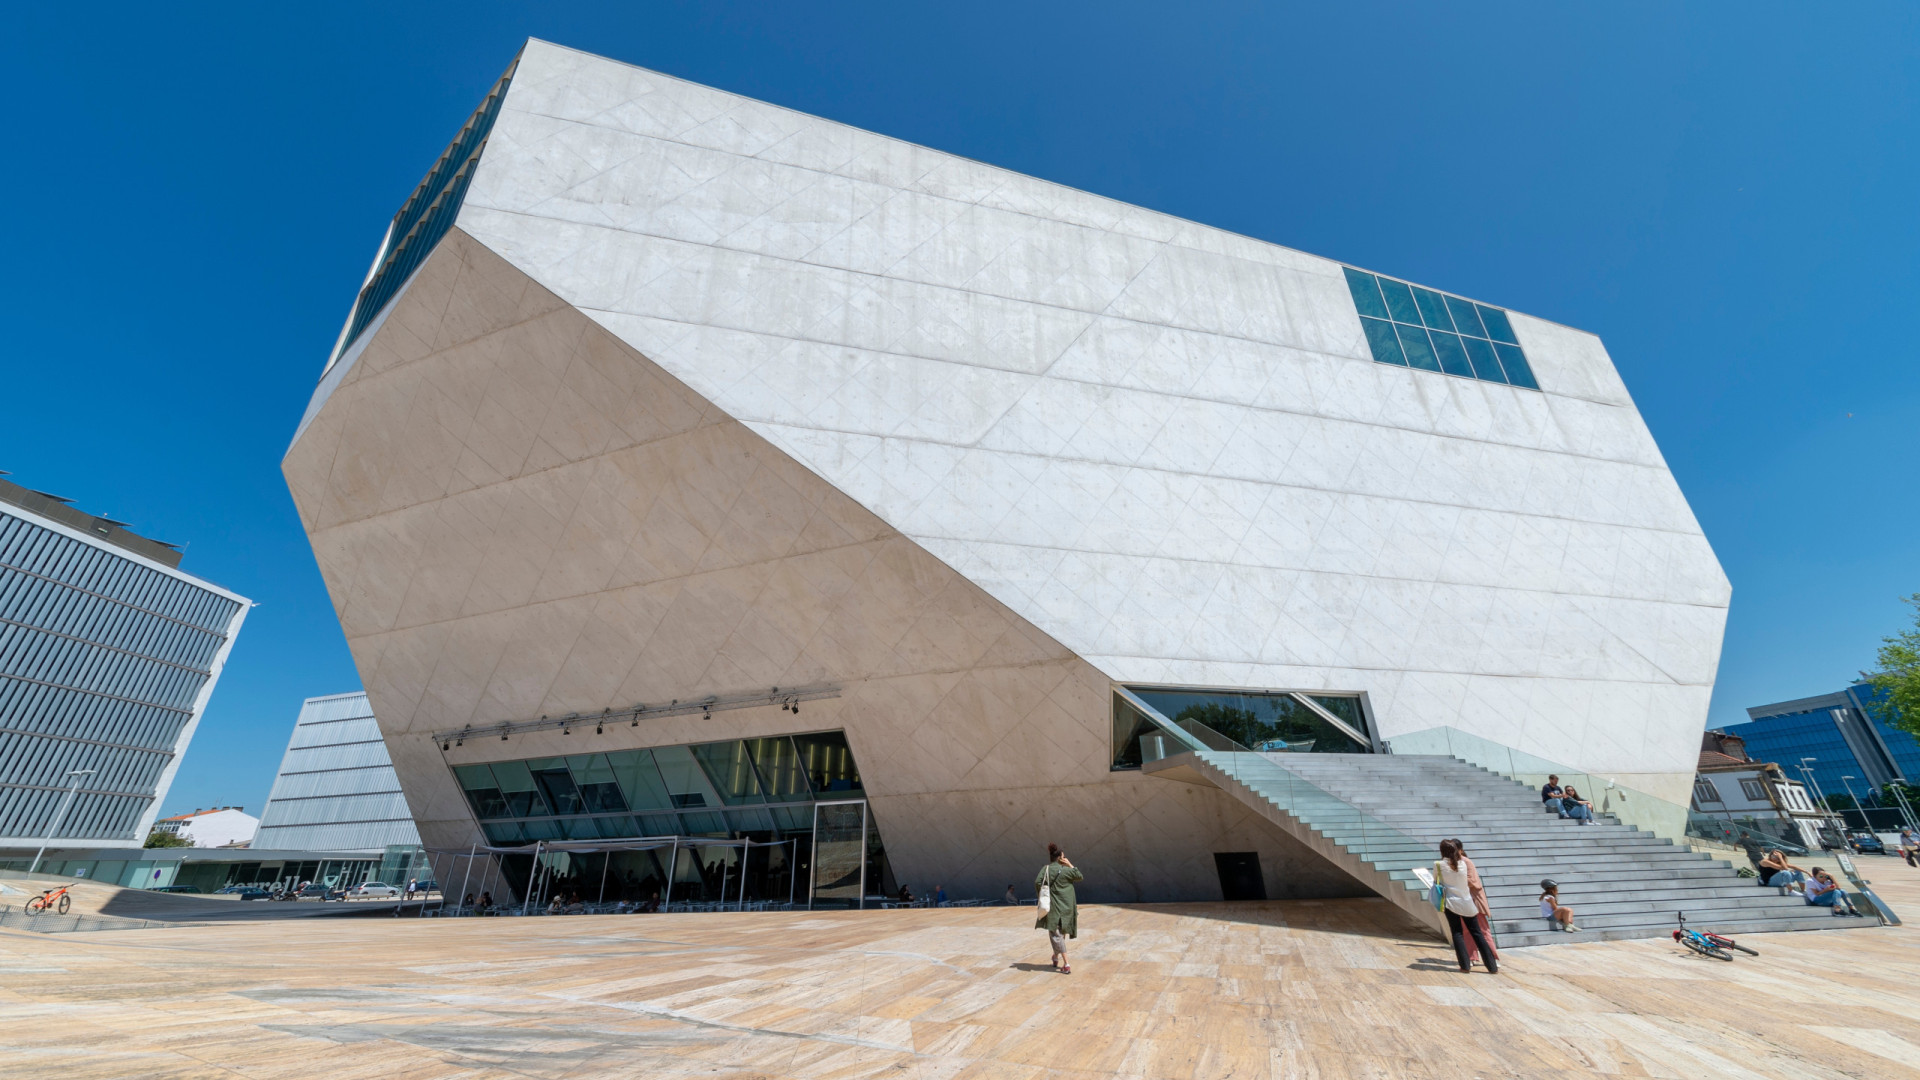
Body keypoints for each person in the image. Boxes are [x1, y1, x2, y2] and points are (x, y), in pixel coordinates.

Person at [1434, 840, 1497, 974]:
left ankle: (1465, 966)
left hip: (1451, 903)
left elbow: (1436, 881)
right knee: (1478, 933)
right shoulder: (1463, 863)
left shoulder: (1438, 864)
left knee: (1457, 933)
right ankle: (1492, 966)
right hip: (1467, 902)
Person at [1035, 843, 1084, 974]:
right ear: (1060, 858)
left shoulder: (1046, 869)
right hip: (1067, 907)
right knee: (1061, 933)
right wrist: (1069, 864)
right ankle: (1055, 957)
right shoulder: (1068, 871)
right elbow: (1079, 876)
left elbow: (1037, 882)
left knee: (1056, 935)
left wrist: (1043, 894)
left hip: (1054, 908)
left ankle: (1066, 964)